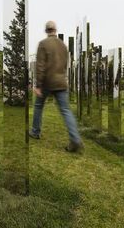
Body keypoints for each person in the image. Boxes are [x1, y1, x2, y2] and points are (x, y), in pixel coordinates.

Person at [29, 21, 83, 153]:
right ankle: (75, 139)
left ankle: (35, 131)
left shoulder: (43, 44)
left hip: (47, 82)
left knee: (38, 106)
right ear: (55, 30)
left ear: (46, 30)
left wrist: (38, 85)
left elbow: (40, 66)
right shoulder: (63, 45)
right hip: (61, 82)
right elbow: (66, 64)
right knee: (66, 110)